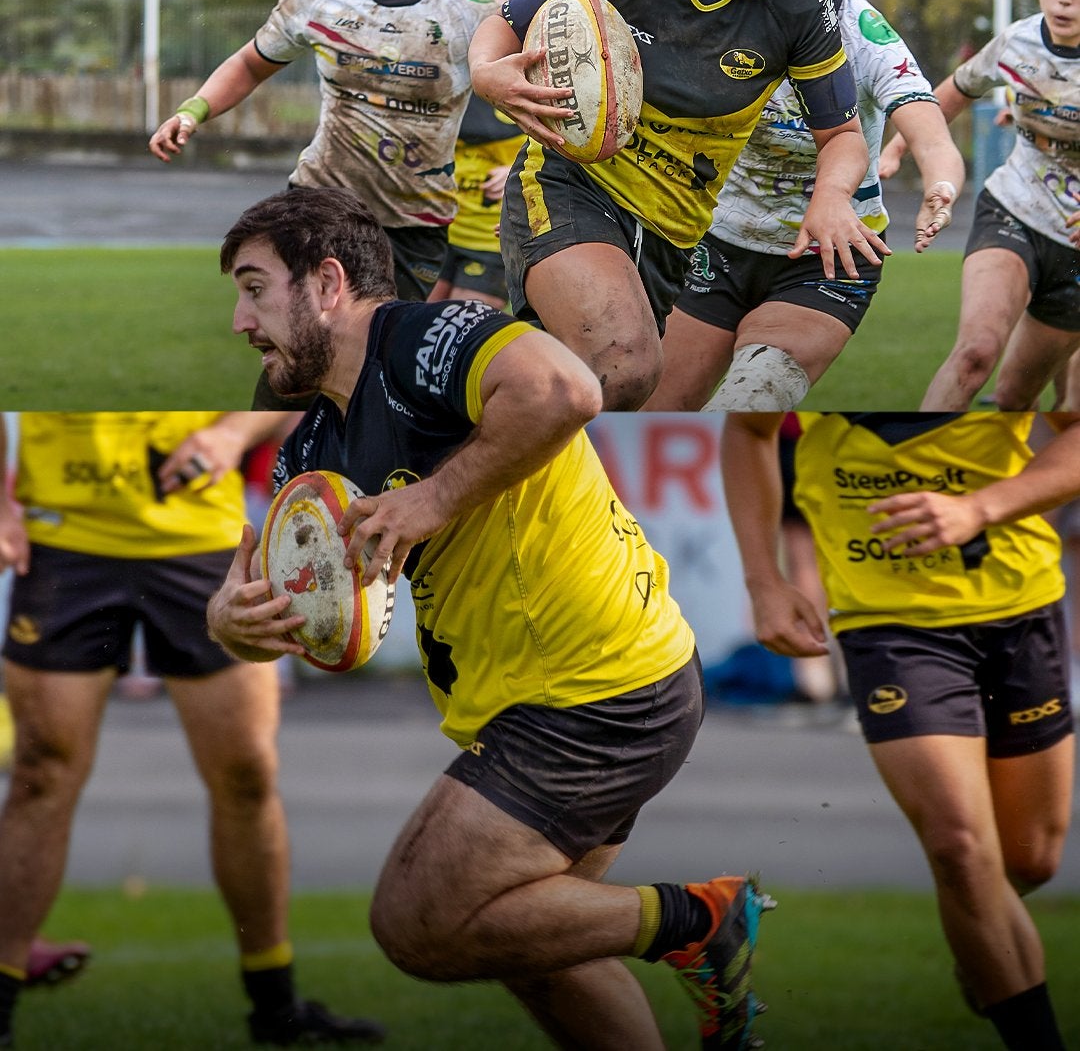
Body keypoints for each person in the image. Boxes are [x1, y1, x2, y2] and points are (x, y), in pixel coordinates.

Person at [212, 182, 775, 1051]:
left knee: (418, 922)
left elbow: (567, 391)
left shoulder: (426, 338)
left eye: (254, 289)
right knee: (534, 943)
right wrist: (233, 619)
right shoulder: (311, 443)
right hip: (547, 695)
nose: (242, 322)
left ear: (327, 283)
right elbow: (293, 586)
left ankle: (701, 920)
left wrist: (434, 498)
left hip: (593, 690)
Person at [467, 0, 888, 410]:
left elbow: (843, 136)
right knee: (625, 365)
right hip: (570, 185)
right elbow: (504, 24)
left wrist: (832, 196)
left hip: (674, 230)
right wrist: (485, 71)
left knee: (583, 391)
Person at [0, 412, 384, 1048]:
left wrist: (233, 434)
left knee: (247, 773)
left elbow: (288, 372)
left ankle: (277, 1013)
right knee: (41, 773)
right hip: (64, 539)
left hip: (205, 541)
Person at [721, 411, 1078, 1051]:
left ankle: (990, 954)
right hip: (888, 625)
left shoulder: (1022, 332)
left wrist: (981, 508)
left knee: (1028, 862)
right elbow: (748, 430)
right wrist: (763, 579)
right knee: (960, 850)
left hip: (1020, 610)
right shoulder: (814, 341)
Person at [645, 0, 965, 411]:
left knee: (747, 408)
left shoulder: (865, 37)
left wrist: (942, 186)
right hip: (719, 242)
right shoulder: (725, 11)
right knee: (654, 413)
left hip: (828, 259)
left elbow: (931, 135)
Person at [148, 0, 496, 311]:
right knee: (297, 353)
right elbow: (251, 64)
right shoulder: (320, 0)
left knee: (377, 360)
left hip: (414, 224)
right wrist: (192, 111)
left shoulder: (470, 14)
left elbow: (524, 88)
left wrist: (525, 177)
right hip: (320, 204)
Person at [887, 0, 1080, 411]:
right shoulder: (1018, 42)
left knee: (1017, 398)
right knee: (975, 355)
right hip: (1015, 210)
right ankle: (916, 464)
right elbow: (954, 91)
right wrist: (900, 146)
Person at [428, 0, 539, 310]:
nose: (519, 5)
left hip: (491, 237)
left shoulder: (547, 73)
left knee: (455, 336)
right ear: (489, 0)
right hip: (435, 227)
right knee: (411, 331)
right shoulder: (458, 69)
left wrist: (517, 171)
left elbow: (574, 153)